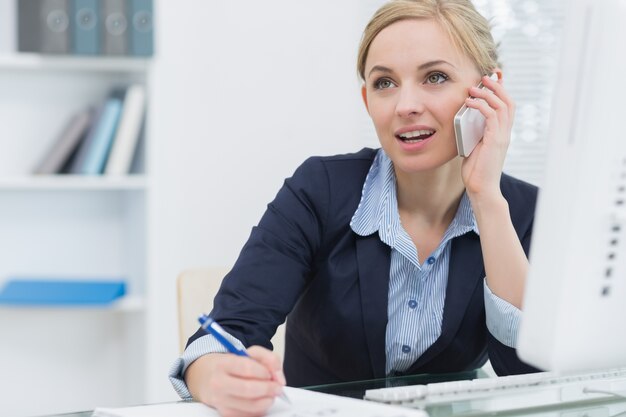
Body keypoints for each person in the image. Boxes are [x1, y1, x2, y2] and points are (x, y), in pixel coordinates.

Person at [169, 0, 539, 415]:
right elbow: (222, 338)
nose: (405, 106)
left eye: (435, 77)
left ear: (489, 91)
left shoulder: (522, 212)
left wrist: (486, 198)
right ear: (368, 101)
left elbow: (534, 379)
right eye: (385, 83)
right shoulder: (319, 190)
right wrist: (220, 378)